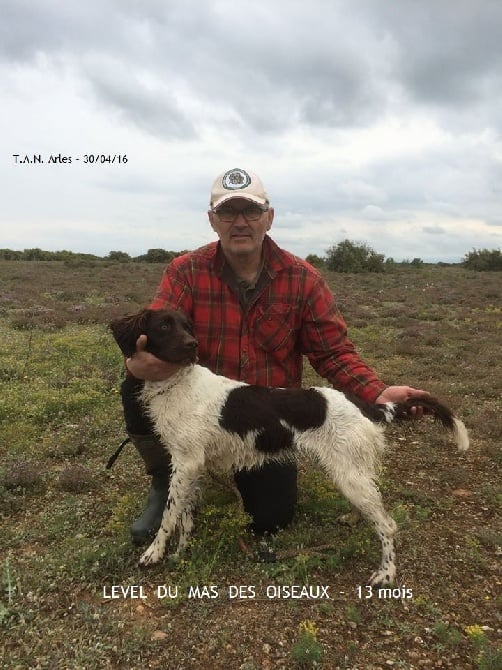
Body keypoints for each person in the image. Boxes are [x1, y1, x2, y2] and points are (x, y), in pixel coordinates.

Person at [122, 167, 430, 545]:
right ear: (212, 220)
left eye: (250, 211)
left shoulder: (303, 278)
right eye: (227, 212)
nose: (240, 222)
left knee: (271, 517)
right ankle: (165, 477)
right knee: (135, 384)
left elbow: (333, 352)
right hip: (203, 407)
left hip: (265, 417)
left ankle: (220, 468)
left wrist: (376, 393)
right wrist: (138, 361)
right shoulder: (185, 271)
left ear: (268, 218)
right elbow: (155, 330)